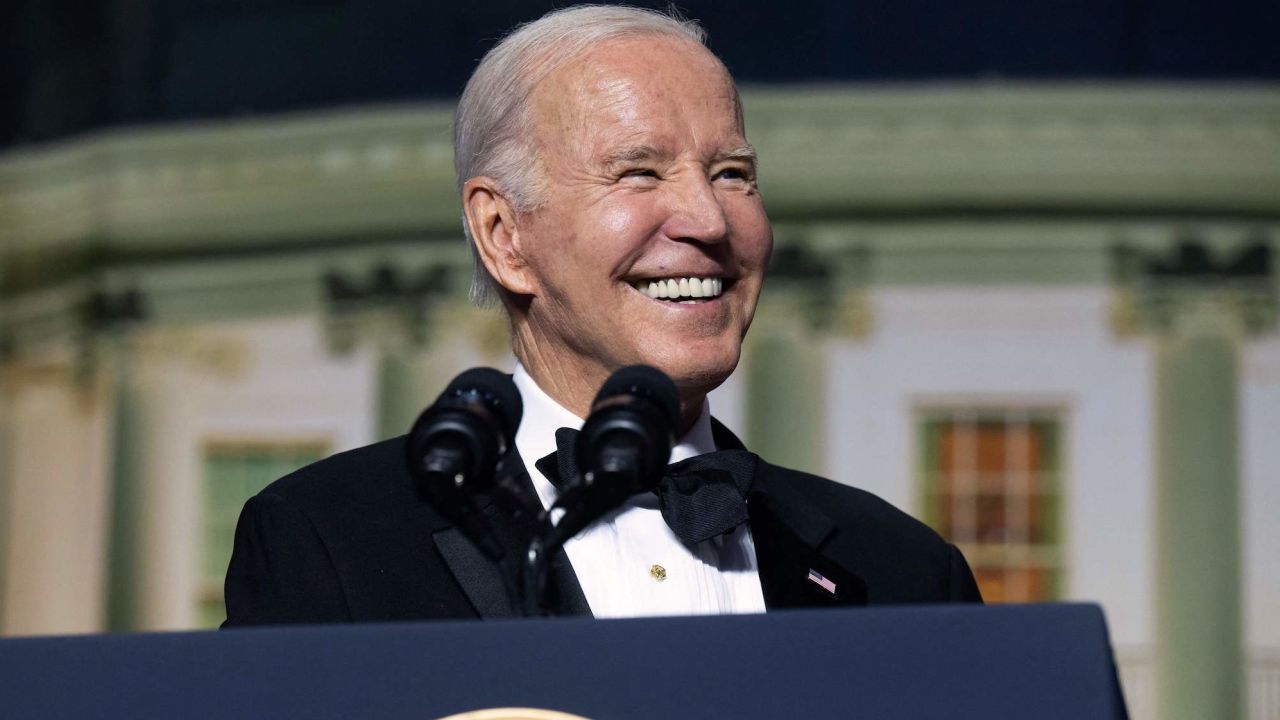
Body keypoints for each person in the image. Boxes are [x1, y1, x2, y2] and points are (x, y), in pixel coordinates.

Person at [223, 5, 980, 626]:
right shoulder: (325, 539)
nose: (709, 220)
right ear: (504, 235)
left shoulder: (906, 571)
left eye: (732, 174)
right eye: (639, 172)